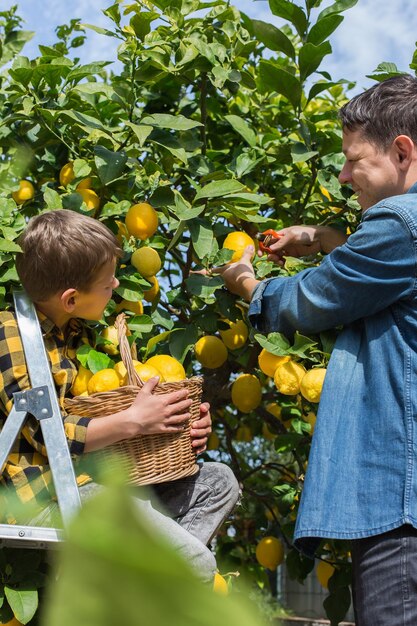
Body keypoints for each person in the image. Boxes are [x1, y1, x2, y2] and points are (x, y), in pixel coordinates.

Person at [212, 74, 417, 623]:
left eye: (354, 160)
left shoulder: (401, 225)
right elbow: (381, 285)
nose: (345, 174)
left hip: (398, 500)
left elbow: (311, 301)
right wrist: (324, 239)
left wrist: (249, 285)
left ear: (403, 151)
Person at [0, 209, 239, 583]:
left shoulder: (80, 336)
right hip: (44, 498)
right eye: (107, 282)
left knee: (218, 482)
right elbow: (46, 434)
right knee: (196, 566)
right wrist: (135, 420)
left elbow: (113, 409)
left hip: (97, 482)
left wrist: (176, 422)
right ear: (70, 298)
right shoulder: (12, 334)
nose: (116, 284)